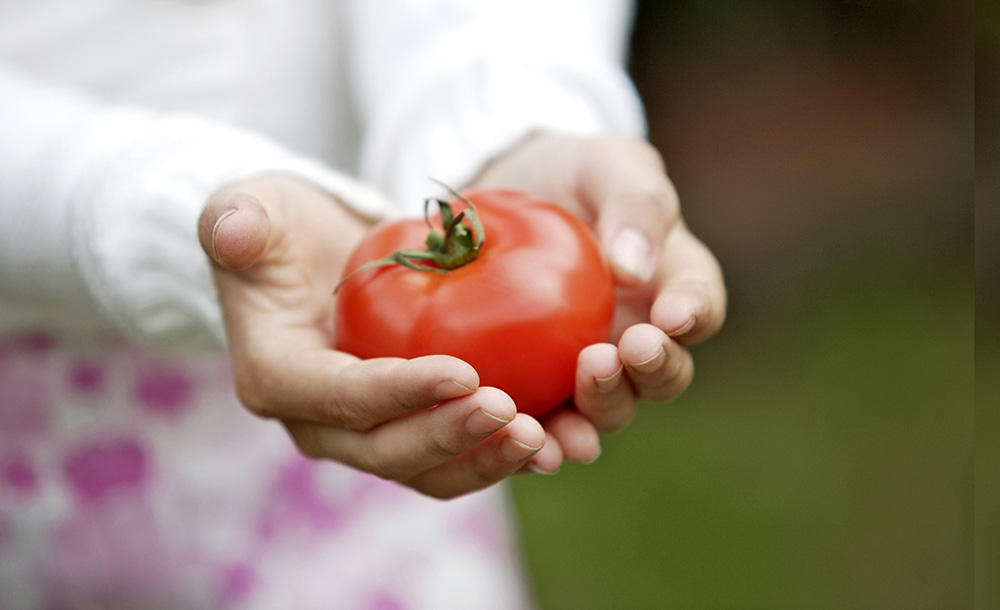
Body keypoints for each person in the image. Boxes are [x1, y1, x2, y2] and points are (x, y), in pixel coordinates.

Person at [0, 1, 726, 608]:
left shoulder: (374, 292)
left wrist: (508, 106)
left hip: (344, 398)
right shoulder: (380, 288)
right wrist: (140, 200)